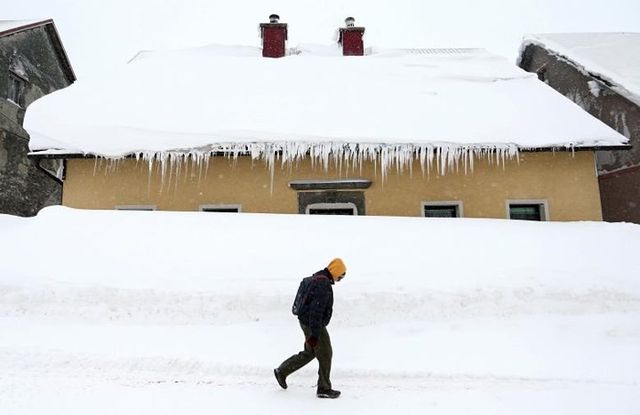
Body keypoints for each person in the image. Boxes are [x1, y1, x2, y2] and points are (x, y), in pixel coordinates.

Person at [274, 258, 347, 399]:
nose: (340, 279)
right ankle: (324, 388)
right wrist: (314, 334)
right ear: (336, 271)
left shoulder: (317, 278)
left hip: (307, 322)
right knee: (325, 353)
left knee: (310, 352)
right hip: (314, 324)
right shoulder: (323, 284)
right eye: (341, 275)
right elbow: (316, 310)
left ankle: (282, 371)